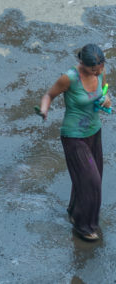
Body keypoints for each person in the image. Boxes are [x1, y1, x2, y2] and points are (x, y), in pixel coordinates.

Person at [39, 43, 111, 241]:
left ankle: (74, 211)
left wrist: (106, 100)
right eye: (92, 69)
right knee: (91, 181)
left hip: (94, 132)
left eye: (100, 68)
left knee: (88, 177)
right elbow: (49, 95)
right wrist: (44, 109)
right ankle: (83, 226)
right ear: (82, 63)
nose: (97, 72)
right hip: (74, 136)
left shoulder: (100, 72)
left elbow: (105, 95)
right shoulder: (69, 77)